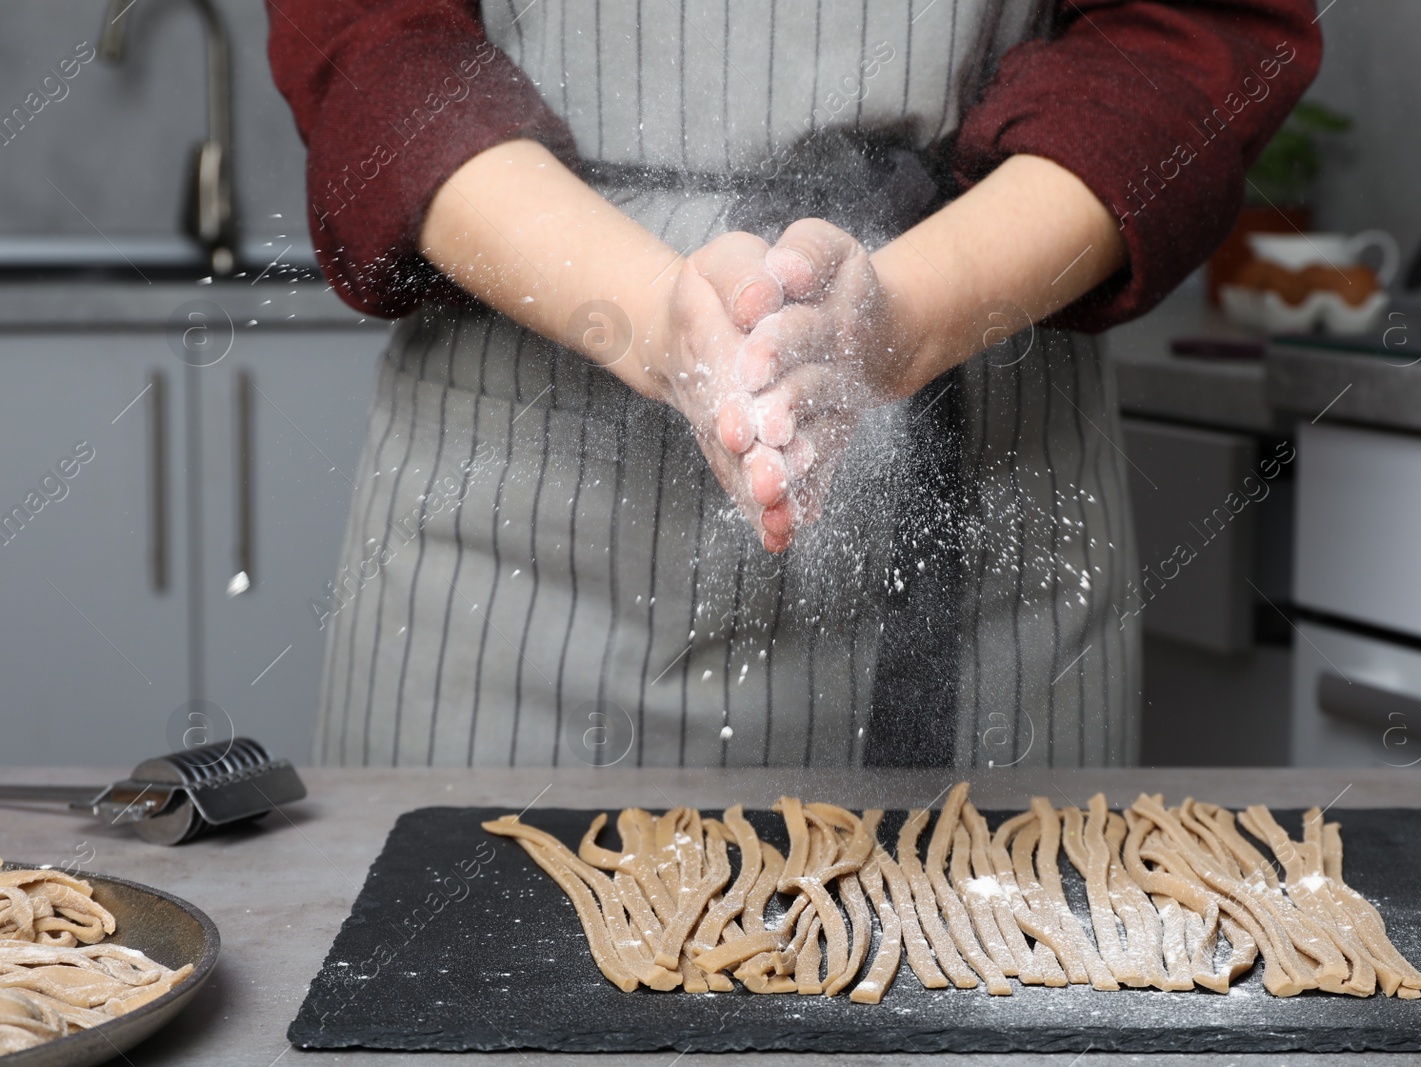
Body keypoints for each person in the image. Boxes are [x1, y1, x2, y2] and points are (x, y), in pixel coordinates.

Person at [267, 0, 1319, 769]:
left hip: (998, 554)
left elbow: (1189, 38)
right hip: (505, 577)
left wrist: (903, 321)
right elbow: (374, 41)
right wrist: (648, 310)